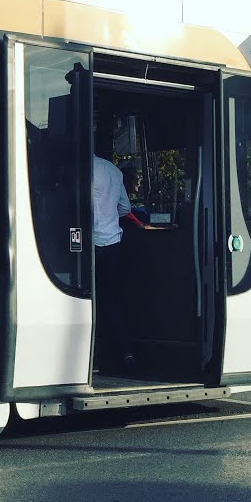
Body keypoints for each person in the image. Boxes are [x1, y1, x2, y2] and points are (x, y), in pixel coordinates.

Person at [92, 154, 136, 373]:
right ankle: (125, 351)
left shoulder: (81, 170)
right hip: (112, 243)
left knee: (86, 300)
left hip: (89, 244)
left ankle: (93, 357)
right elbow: (125, 208)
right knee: (112, 299)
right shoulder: (113, 170)